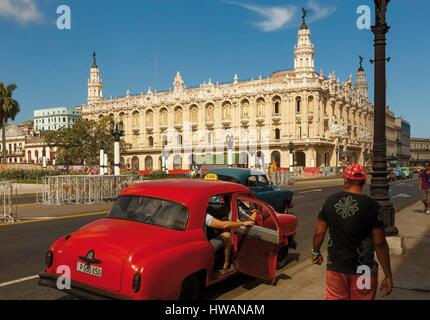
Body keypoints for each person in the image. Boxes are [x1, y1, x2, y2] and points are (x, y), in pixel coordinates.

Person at [311, 164, 393, 300]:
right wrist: (388, 275)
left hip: (336, 267)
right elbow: (379, 243)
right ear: (364, 182)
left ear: (345, 180)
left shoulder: (330, 201)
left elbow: (319, 233)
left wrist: (316, 251)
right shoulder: (373, 206)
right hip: (364, 270)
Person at [205, 196, 257, 272]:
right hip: (207, 246)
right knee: (229, 236)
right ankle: (226, 263)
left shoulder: (213, 210)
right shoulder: (236, 208)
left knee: (225, 234)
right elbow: (250, 221)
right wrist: (255, 212)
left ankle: (225, 263)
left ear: (223, 199)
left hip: (207, 238)